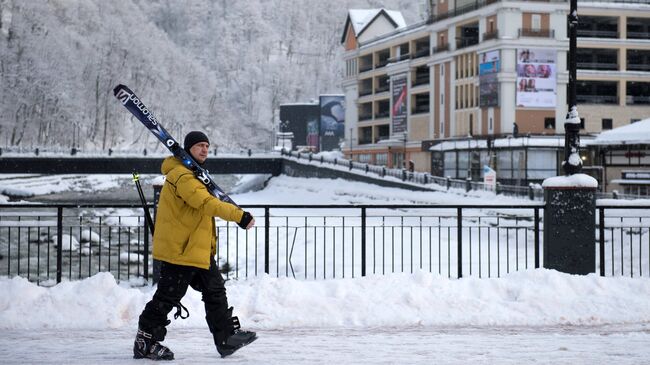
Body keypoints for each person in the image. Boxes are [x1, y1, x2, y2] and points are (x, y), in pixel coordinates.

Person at [133, 131, 257, 360]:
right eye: (200, 145)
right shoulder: (183, 176)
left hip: (196, 250)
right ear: (187, 149)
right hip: (180, 251)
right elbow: (207, 204)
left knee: (215, 291)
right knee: (167, 297)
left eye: (207, 147)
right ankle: (145, 341)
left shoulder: (194, 175)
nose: (204, 150)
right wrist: (239, 216)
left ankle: (226, 339)